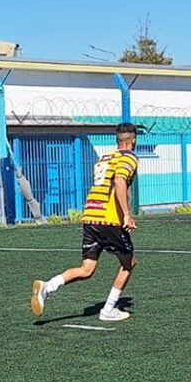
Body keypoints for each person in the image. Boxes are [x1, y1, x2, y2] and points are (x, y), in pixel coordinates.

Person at [31, 122, 140, 322]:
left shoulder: (105, 157)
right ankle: (108, 310)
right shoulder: (129, 157)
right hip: (109, 219)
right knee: (129, 263)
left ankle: (47, 287)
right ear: (133, 140)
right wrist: (126, 214)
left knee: (87, 269)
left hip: (90, 215)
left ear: (117, 140)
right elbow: (119, 181)